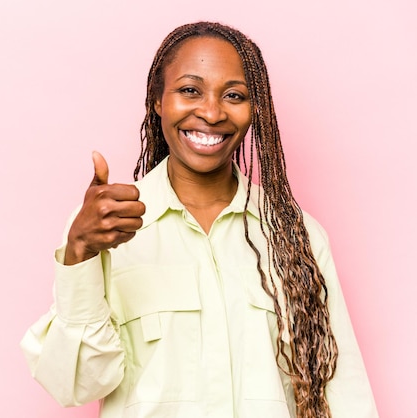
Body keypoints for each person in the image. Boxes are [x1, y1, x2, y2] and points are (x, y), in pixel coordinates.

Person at [21, 21, 378, 418]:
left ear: (254, 108)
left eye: (234, 95)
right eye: (190, 90)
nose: (211, 111)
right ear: (158, 100)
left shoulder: (297, 235)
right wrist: (80, 252)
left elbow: (342, 392)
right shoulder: (106, 227)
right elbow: (76, 385)